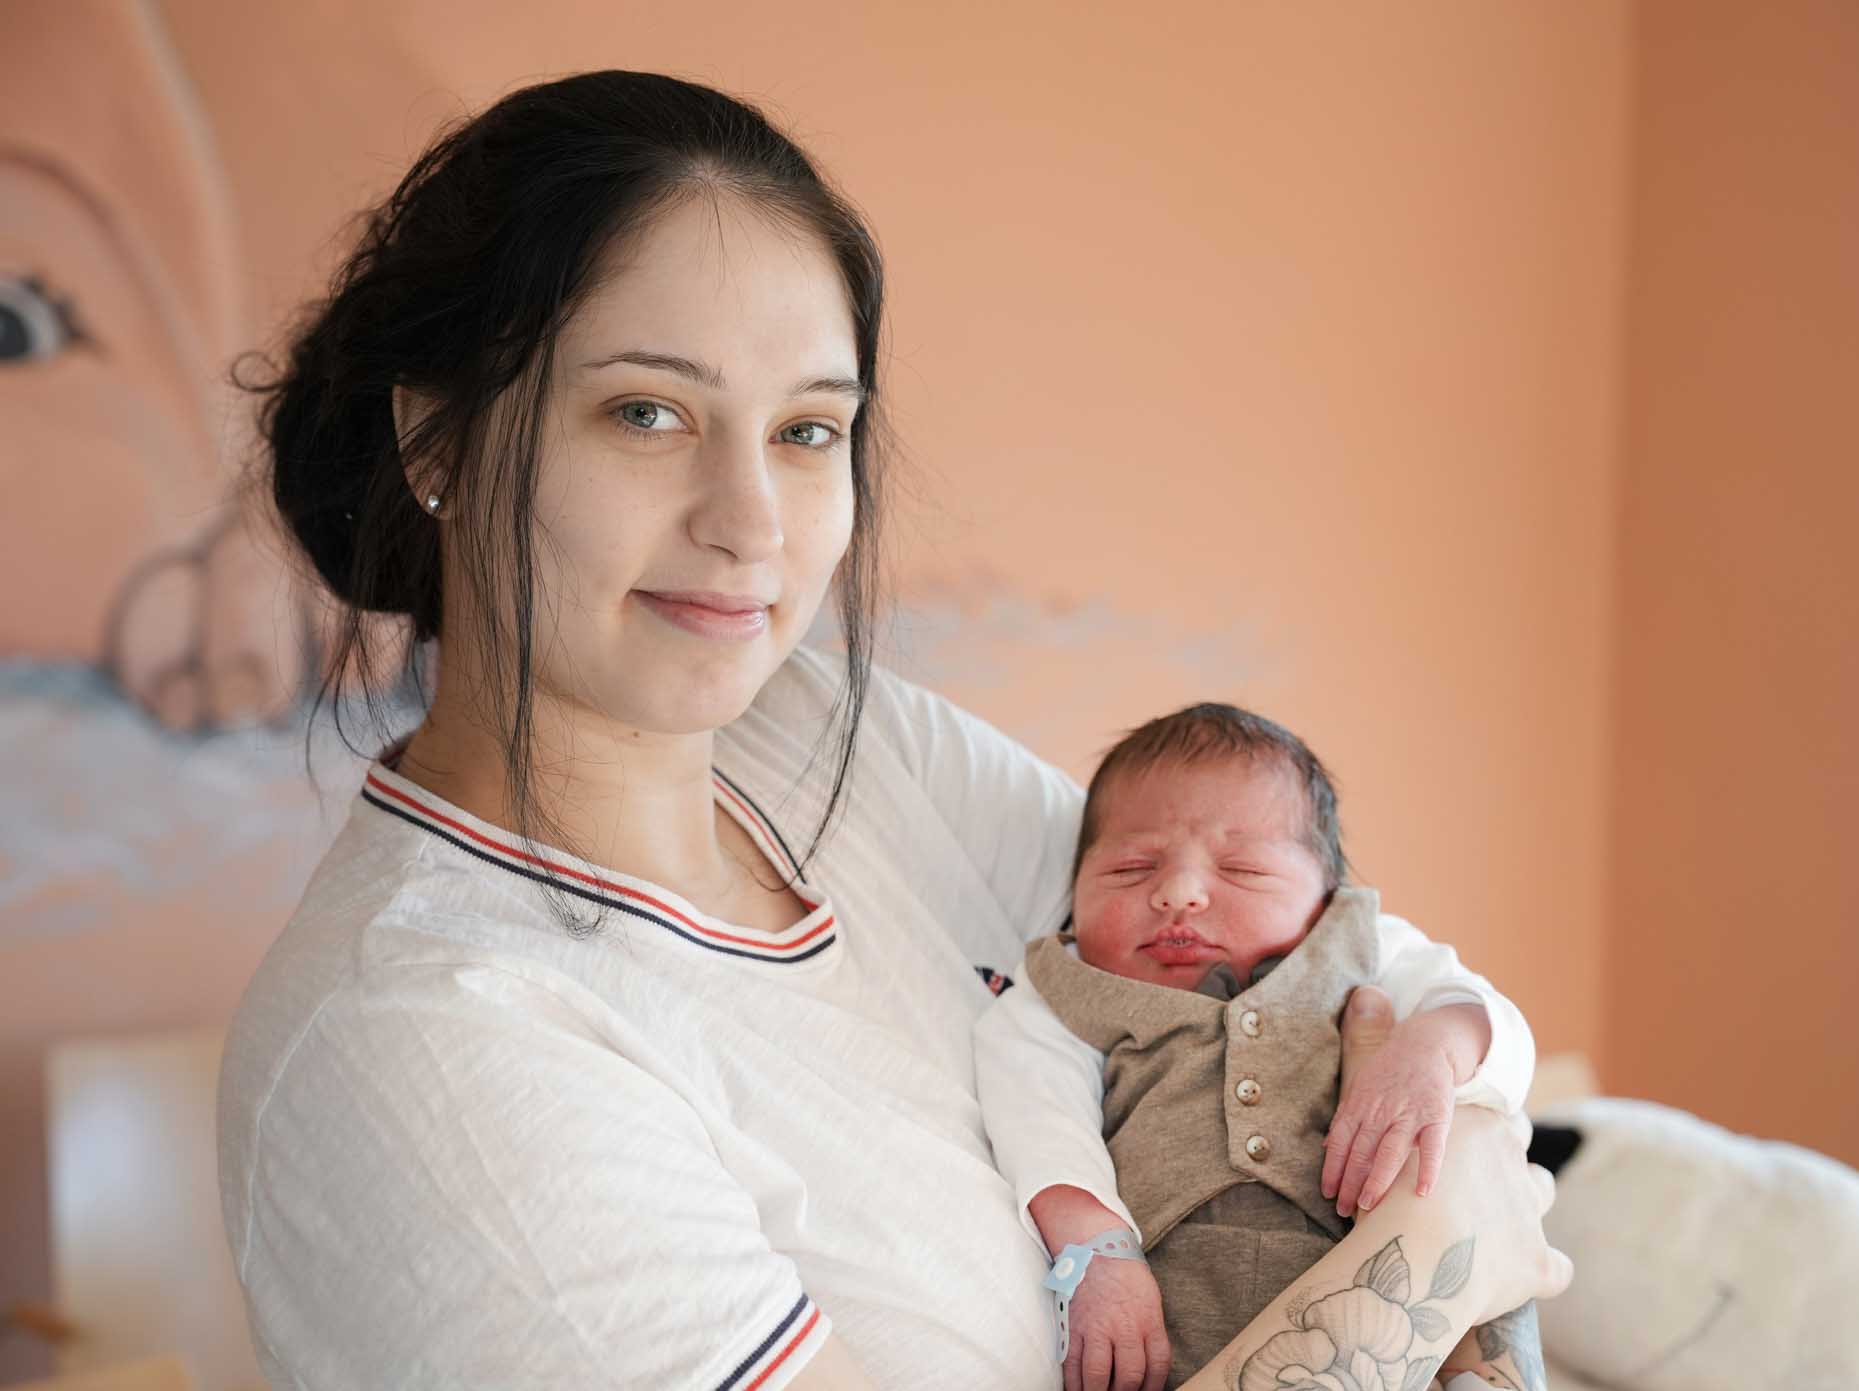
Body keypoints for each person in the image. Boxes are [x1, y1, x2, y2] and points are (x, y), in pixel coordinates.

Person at [214, 69, 1570, 1391]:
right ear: (438, 441)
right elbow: (1463, 1198)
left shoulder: (825, 737)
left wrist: (1452, 1084)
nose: (750, 522)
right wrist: (1431, 1261)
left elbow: (1352, 972)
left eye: (808, 431)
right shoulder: (421, 1034)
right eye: (646, 411)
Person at [974, 703, 1546, 1388]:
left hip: (1387, 1311)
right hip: (1174, 1320)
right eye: (1131, 868)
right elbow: (1038, 1118)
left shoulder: (1362, 948)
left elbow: (1491, 1018)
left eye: (1241, 869)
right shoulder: (1065, 992)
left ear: (1326, 893)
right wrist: (1097, 1251)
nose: (1179, 893)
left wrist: (1433, 1046)